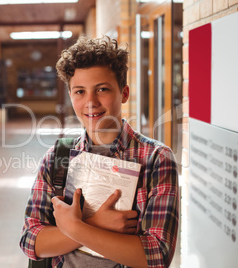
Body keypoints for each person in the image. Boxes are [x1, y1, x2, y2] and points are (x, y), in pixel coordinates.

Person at [20, 35, 179, 268]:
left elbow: (156, 255)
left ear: (124, 93)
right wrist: (95, 224)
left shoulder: (156, 158)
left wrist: (74, 226)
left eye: (102, 89)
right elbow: (31, 241)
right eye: (79, 91)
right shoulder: (57, 158)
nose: (90, 102)